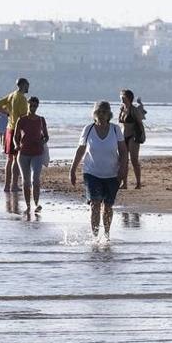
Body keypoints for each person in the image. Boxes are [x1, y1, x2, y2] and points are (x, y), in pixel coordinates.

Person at [70, 101, 129, 238]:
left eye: (104, 112)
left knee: (108, 206)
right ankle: (95, 237)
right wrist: (72, 170)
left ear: (109, 114)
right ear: (94, 114)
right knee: (95, 204)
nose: (101, 115)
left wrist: (123, 170)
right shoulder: (88, 129)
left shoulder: (115, 130)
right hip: (92, 173)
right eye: (99, 112)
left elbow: (123, 152)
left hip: (112, 174)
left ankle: (107, 235)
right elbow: (80, 150)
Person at [0, 78, 30, 193]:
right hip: (17, 130)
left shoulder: (12, 95)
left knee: (9, 159)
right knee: (16, 158)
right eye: (27, 85)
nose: (28, 87)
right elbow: (24, 117)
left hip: (9, 129)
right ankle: (14, 185)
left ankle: (6, 185)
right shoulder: (22, 98)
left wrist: (7, 113)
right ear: (23, 85)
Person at [14, 96, 49, 216]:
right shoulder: (22, 120)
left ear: (37, 106)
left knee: (36, 180)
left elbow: (46, 136)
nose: (33, 108)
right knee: (26, 181)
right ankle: (28, 205)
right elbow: (15, 136)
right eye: (31, 105)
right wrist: (17, 145)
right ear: (28, 105)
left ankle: (36, 203)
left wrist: (42, 142)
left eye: (35, 106)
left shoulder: (41, 120)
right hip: (23, 153)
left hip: (37, 153)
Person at [119, 89, 145, 189]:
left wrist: (140, 136)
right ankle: (124, 183)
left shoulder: (134, 110)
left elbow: (140, 123)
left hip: (133, 136)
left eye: (123, 96)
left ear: (128, 98)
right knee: (124, 160)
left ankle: (138, 183)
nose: (121, 98)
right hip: (123, 136)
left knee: (134, 160)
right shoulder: (121, 108)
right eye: (121, 96)